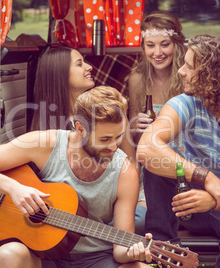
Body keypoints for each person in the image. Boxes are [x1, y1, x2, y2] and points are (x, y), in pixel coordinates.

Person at [0, 86, 153, 268]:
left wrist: (132, 252)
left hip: (94, 258)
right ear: (80, 128)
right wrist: (14, 189)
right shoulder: (46, 144)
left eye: (118, 136)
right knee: (9, 253)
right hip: (42, 255)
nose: (113, 146)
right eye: (104, 139)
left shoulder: (125, 173)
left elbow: (120, 249)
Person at [137, 34, 220, 268]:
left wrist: (215, 198)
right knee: (157, 163)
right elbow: (146, 147)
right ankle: (166, 255)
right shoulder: (185, 103)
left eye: (189, 66)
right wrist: (207, 178)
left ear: (215, 76)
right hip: (190, 205)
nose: (181, 71)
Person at [30, 46, 145, 235]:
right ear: (59, 74)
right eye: (79, 63)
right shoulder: (46, 130)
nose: (89, 67)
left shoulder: (108, 109)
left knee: (137, 220)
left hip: (113, 200)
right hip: (70, 211)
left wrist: (134, 197)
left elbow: (130, 163)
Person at [127, 10, 186, 222]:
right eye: (150, 45)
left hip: (186, 164)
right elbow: (133, 140)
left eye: (165, 44)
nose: (157, 52)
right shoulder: (137, 80)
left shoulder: (188, 77)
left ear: (177, 45)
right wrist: (135, 125)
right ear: (143, 47)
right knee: (142, 220)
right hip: (152, 168)